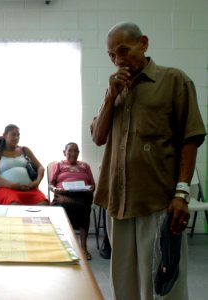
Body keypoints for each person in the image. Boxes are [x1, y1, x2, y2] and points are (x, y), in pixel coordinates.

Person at [91, 22, 206, 300]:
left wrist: (182, 193)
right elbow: (98, 137)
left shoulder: (174, 81)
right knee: (124, 284)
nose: (118, 60)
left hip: (158, 203)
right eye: (111, 55)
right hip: (118, 204)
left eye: (123, 50)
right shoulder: (114, 90)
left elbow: (190, 139)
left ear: (143, 43)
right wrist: (109, 98)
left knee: (163, 286)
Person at [48, 142, 95, 260]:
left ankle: (83, 247)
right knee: (63, 205)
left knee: (84, 206)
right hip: (64, 194)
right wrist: (56, 189)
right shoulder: (58, 165)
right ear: (64, 152)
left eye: (76, 151)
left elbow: (93, 184)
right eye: (70, 150)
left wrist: (90, 189)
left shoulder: (85, 166)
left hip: (82, 194)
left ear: (79, 153)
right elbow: (51, 184)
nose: (73, 153)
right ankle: (65, 245)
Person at [0, 124, 48, 205]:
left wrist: (37, 182)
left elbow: (40, 167)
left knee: (43, 203)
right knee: (15, 206)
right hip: (5, 189)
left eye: (18, 135)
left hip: (29, 190)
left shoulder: (25, 150)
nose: (16, 137)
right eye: (13, 134)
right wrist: (11, 185)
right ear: (5, 135)